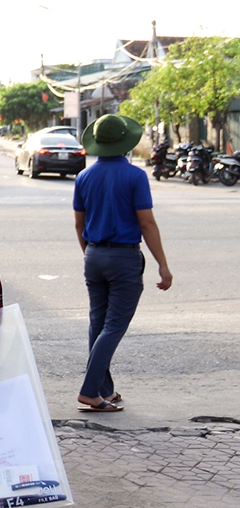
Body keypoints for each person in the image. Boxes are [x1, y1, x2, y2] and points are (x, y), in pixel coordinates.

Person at [73, 114, 172, 412]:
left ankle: (105, 390)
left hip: (94, 255)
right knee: (114, 326)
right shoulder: (135, 176)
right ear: (124, 143)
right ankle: (90, 391)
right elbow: (147, 224)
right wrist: (163, 265)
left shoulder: (84, 176)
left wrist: (91, 253)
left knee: (98, 324)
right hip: (123, 257)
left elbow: (79, 225)